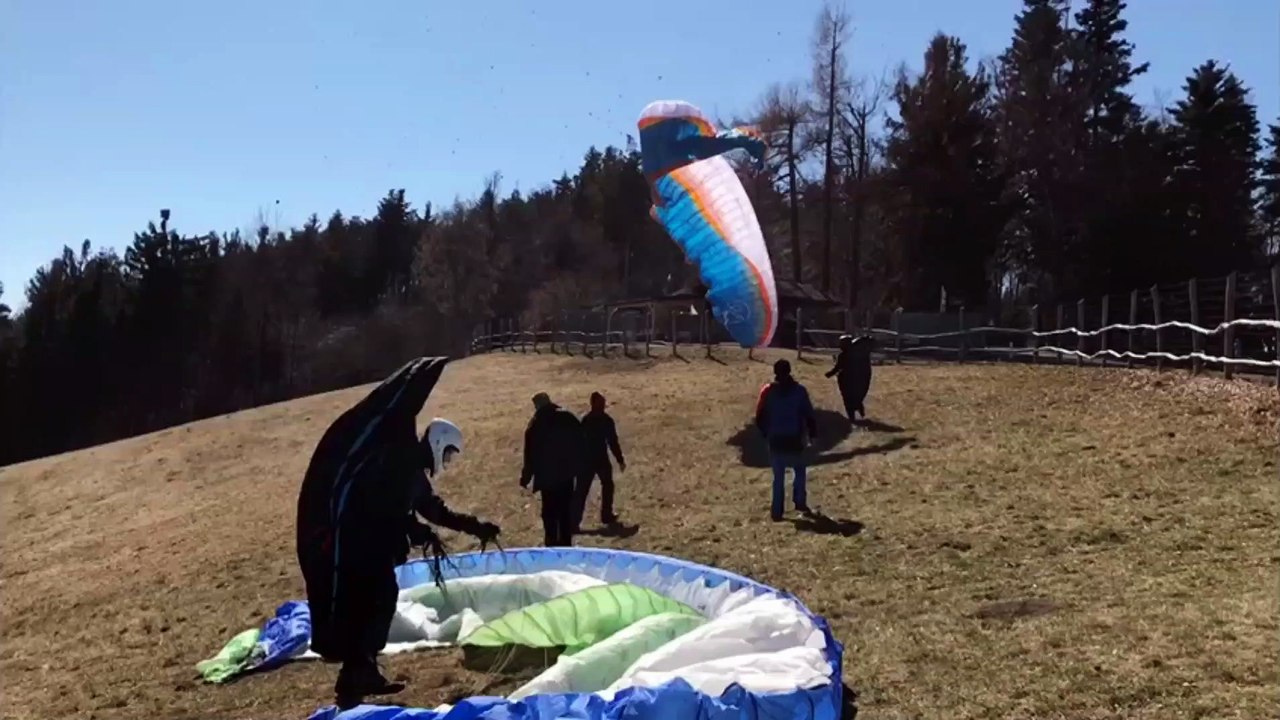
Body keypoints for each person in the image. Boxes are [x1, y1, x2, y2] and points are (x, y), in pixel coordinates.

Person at [295, 357, 500, 708]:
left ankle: (357, 674)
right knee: (376, 600)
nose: (447, 462)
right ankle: (358, 674)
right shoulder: (400, 459)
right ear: (438, 442)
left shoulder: (411, 468)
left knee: (372, 603)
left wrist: (476, 527)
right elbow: (381, 503)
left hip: (371, 544)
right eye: (448, 454)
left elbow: (434, 510)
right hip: (361, 543)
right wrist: (412, 528)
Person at [755, 359, 817, 522]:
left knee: (778, 477)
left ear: (775, 372)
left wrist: (766, 433)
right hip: (794, 438)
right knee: (800, 471)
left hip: (776, 438)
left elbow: (759, 415)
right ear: (789, 371)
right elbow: (809, 415)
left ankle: (777, 511)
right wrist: (812, 434)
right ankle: (800, 501)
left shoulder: (768, 391)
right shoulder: (799, 391)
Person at [520, 392, 585, 547]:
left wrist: (526, 477)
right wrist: (579, 465)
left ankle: (551, 545)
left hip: (547, 479)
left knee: (549, 514)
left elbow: (530, 455)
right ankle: (566, 545)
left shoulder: (535, 425)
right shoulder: (566, 417)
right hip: (566, 475)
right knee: (565, 512)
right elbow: (581, 440)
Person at [576, 392, 626, 528]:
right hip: (600, 458)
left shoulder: (586, 420)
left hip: (586, 459)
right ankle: (606, 515)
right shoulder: (606, 420)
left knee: (581, 490)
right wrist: (620, 459)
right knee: (607, 485)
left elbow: (578, 442)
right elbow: (612, 442)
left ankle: (574, 521)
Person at [825, 334, 875, 422]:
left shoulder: (844, 355)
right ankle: (857, 410)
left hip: (846, 381)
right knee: (855, 397)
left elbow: (838, 367)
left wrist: (829, 374)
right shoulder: (859, 354)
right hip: (854, 380)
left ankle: (852, 416)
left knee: (848, 399)